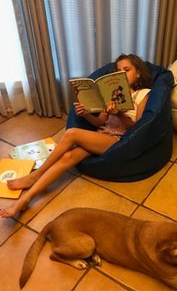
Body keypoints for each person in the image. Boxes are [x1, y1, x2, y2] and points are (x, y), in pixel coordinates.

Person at [0, 54, 152, 218]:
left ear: (138, 73)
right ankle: (25, 200)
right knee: (68, 156)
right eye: (117, 71)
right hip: (102, 135)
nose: (121, 74)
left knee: (71, 133)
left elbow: (139, 128)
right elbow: (100, 123)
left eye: (126, 70)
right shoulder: (109, 93)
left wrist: (120, 114)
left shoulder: (143, 94)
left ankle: (35, 176)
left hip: (121, 141)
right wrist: (86, 114)